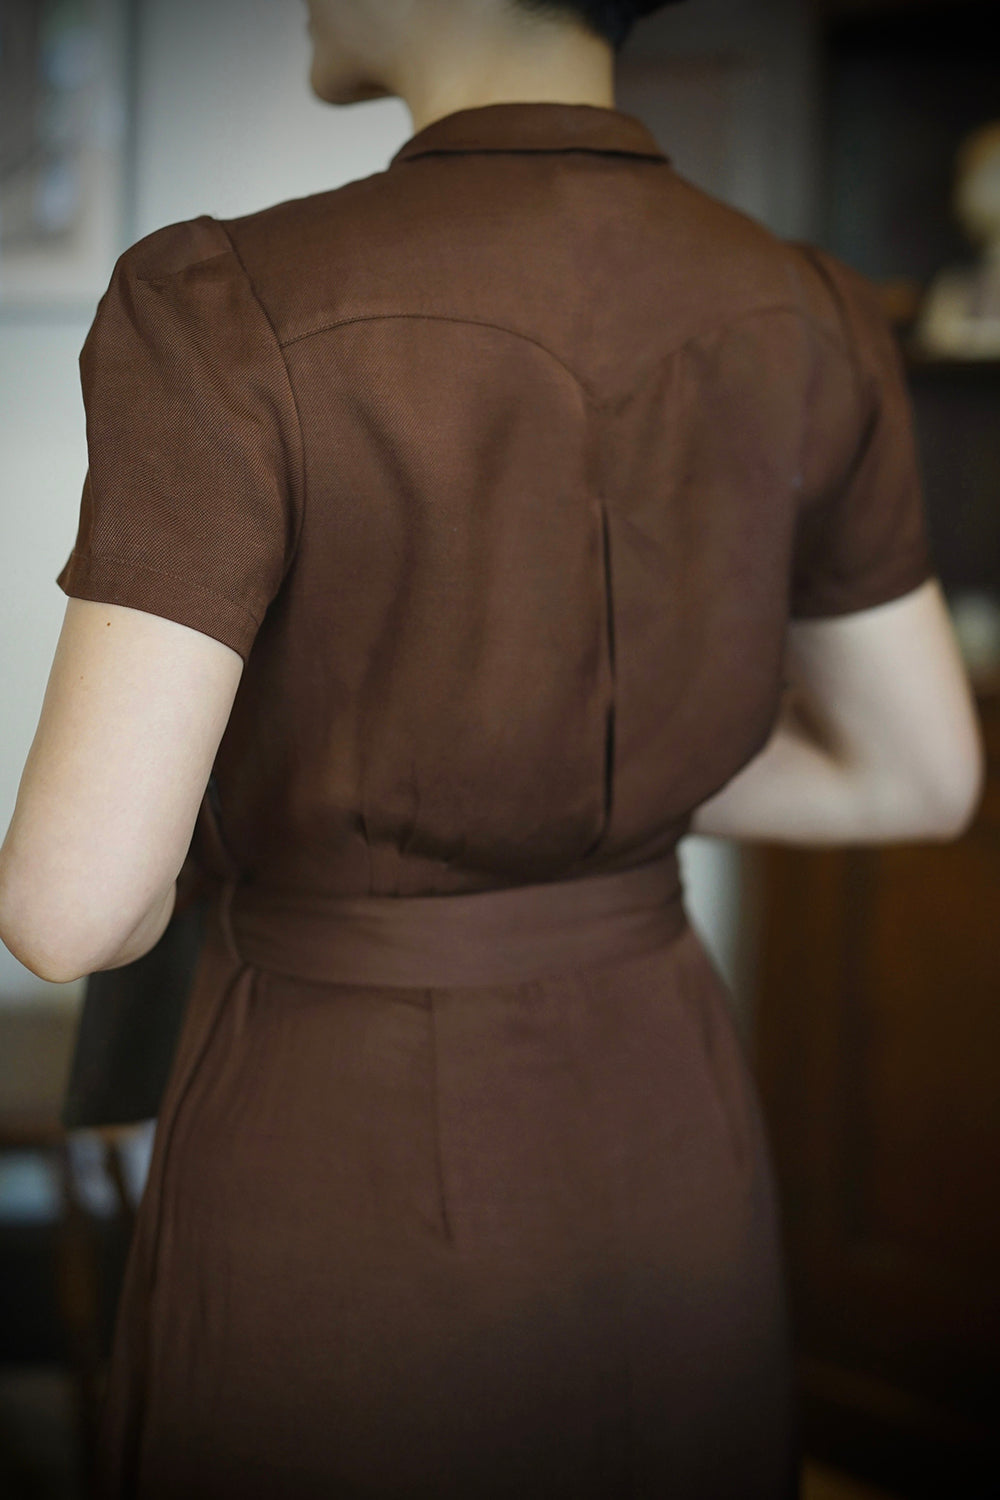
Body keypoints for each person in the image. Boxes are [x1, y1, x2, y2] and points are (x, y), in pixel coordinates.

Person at [0, 0, 984, 1495]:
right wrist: (580, 780)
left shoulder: (222, 303)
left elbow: (74, 909)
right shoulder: (813, 308)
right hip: (673, 1131)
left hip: (336, 1158)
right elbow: (923, 776)